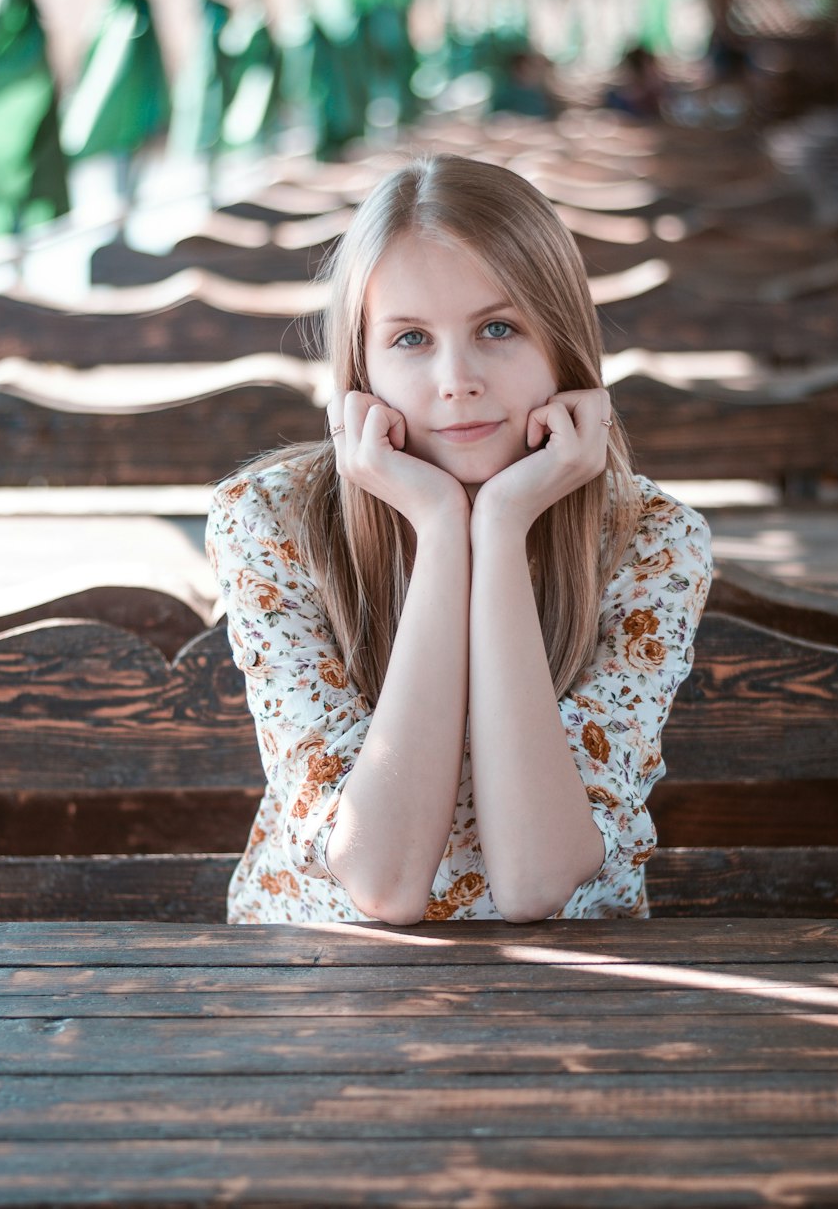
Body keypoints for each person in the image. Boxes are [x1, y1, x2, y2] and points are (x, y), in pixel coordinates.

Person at [206, 155, 712, 925]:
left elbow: (537, 882)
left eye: (498, 328)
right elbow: (382, 882)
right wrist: (442, 531)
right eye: (410, 338)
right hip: (315, 983)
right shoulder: (269, 521)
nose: (457, 378)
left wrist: (502, 529)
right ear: (360, 368)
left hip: (578, 991)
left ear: (563, 344)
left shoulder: (654, 542)